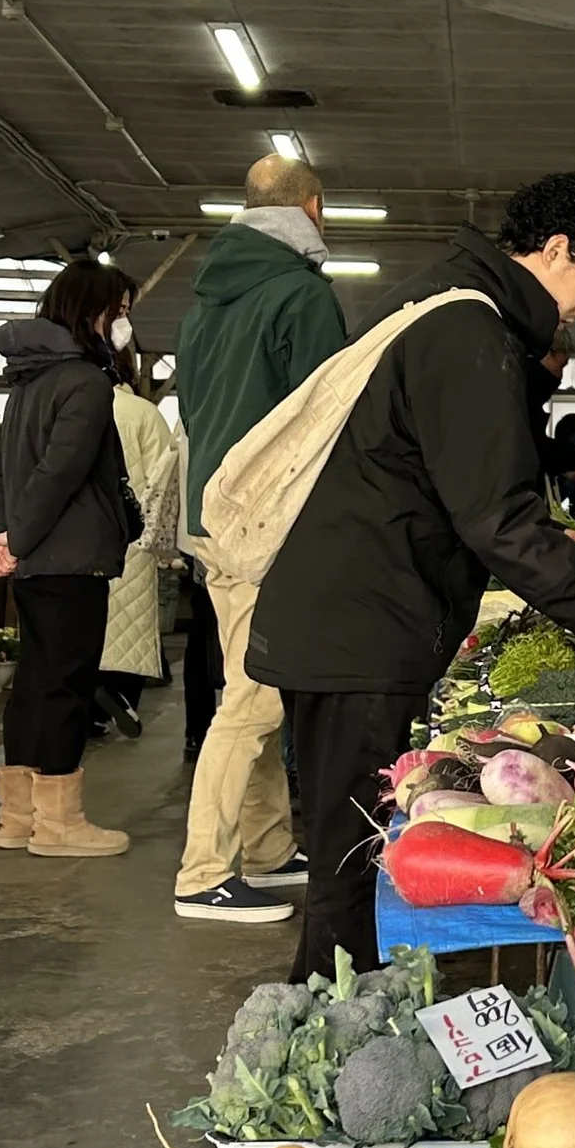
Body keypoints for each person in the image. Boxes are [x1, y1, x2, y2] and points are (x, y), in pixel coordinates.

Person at [247, 171, 575, 980]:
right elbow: (497, 521)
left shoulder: (444, 302)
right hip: (361, 627)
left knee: (349, 852)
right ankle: (331, 1020)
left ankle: (339, 1007)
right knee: (352, 866)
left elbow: (449, 484)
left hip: (348, 613)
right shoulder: (467, 330)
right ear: (556, 250)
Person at [171, 154, 345, 923]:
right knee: (257, 696)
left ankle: (269, 847)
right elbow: (325, 427)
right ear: (311, 208)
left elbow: (195, 413)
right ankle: (203, 872)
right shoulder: (303, 297)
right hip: (269, 526)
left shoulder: (202, 305)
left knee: (255, 680)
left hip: (213, 516)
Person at [0, 260, 141, 858]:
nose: (123, 323)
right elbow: (61, 473)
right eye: (120, 311)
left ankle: (17, 818)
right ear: (92, 310)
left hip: (33, 559)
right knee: (66, 686)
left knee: (34, 683)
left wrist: (2, 539)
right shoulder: (85, 383)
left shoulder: (26, 382)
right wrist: (18, 540)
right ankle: (58, 824)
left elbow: (0, 473)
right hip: (70, 557)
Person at [97, 342, 181, 735]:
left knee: (89, 623)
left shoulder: (73, 406)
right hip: (134, 535)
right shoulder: (143, 413)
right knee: (131, 623)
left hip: (85, 536)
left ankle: (90, 708)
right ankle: (122, 698)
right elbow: (164, 478)